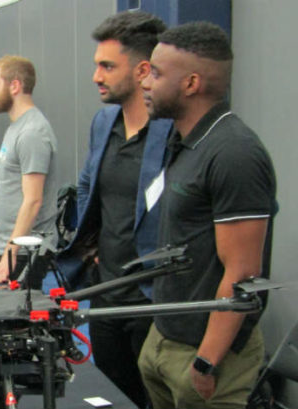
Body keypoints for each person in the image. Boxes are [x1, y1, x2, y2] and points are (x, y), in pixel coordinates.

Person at [137, 22, 277, 409]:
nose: (145, 82)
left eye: (156, 73)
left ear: (191, 83)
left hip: (208, 356)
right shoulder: (184, 140)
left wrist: (205, 362)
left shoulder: (234, 153)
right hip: (165, 340)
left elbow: (242, 273)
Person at [62, 11, 171, 408]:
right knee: (111, 395)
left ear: (142, 70)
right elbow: (88, 182)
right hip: (105, 294)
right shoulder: (104, 121)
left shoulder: (172, 130)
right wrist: (90, 242)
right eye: (97, 65)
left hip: (153, 301)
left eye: (107, 66)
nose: (96, 76)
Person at [0, 55, 59, 289]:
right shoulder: (17, 127)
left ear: (14, 86)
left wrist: (11, 252)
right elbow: (9, 191)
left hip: (25, 250)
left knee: (17, 310)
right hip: (10, 245)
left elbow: (33, 200)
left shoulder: (32, 132)